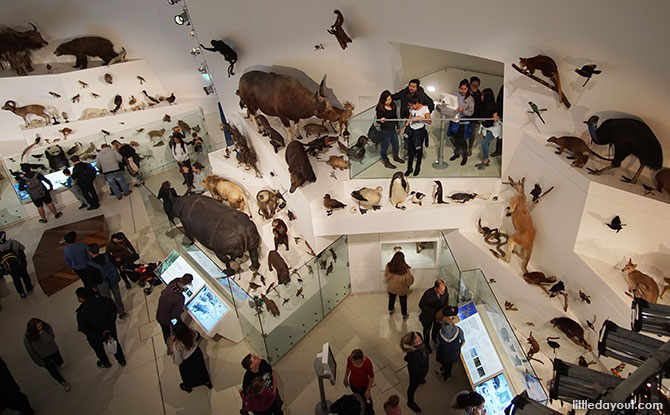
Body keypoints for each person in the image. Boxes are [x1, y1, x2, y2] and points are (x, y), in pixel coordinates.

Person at [75, 287, 126, 368]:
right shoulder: (104, 300)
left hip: (95, 336)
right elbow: (112, 311)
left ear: (80, 298)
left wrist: (100, 334)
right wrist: (109, 327)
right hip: (109, 330)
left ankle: (105, 362)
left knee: (98, 349)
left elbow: (85, 328)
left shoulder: (81, 313)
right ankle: (121, 360)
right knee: (113, 343)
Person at [23, 318, 70, 391]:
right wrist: (39, 362)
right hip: (44, 357)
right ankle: (62, 382)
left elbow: (52, 339)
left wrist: (43, 334)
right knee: (52, 370)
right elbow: (31, 352)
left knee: (60, 361)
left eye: (40, 325)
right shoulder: (27, 338)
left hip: (53, 351)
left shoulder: (46, 328)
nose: (40, 328)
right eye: (37, 328)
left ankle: (57, 365)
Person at [87, 243, 126, 318]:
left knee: (108, 298)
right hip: (113, 278)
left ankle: (120, 311)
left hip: (102, 283)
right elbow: (115, 263)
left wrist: (93, 286)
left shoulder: (90, 265)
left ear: (90, 253)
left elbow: (91, 277)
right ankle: (121, 308)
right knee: (117, 294)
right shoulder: (107, 256)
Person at [156, 274, 193, 352]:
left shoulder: (174, 282)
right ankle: (171, 348)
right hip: (166, 319)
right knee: (171, 333)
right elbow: (175, 316)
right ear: (189, 284)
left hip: (160, 313)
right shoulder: (179, 298)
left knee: (165, 332)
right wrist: (175, 324)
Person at [171, 322, 212, 392]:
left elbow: (179, 361)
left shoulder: (177, 345)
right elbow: (197, 335)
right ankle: (207, 382)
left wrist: (174, 360)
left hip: (187, 361)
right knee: (201, 369)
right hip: (197, 354)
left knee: (187, 376)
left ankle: (187, 386)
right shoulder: (192, 334)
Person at [400, 97, 431, 177]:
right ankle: (409, 168)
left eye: (412, 105)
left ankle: (417, 167)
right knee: (410, 150)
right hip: (411, 130)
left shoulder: (424, 109)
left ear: (417, 103)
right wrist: (405, 127)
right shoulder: (412, 108)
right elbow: (410, 118)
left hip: (419, 131)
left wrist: (421, 118)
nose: (411, 107)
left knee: (419, 150)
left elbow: (429, 121)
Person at [400, 331, 429, 413]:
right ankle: (410, 402)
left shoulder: (417, 337)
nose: (420, 339)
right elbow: (416, 371)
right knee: (412, 387)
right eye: (418, 341)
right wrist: (422, 373)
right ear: (412, 346)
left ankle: (420, 380)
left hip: (423, 368)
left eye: (418, 337)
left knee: (420, 378)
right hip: (416, 375)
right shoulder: (414, 357)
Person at [449, 79, 475, 166]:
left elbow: (471, 112)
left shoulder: (470, 99)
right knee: (454, 137)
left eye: (465, 89)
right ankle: (457, 153)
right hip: (454, 120)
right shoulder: (454, 96)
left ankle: (465, 156)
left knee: (463, 139)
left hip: (463, 121)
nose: (463, 90)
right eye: (461, 88)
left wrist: (463, 110)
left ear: (468, 89)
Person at [435, 306, 465, 381]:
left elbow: (438, 344)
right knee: (449, 365)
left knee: (445, 364)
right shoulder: (458, 331)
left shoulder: (440, 333)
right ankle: (447, 372)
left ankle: (445, 374)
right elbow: (463, 341)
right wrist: (458, 347)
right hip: (454, 354)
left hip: (443, 354)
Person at [376, 90, 404, 169]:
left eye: (390, 99)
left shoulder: (393, 105)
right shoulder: (380, 108)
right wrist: (381, 120)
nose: (389, 101)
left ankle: (396, 156)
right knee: (385, 146)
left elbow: (395, 117)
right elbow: (378, 121)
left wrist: (398, 127)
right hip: (385, 130)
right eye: (387, 100)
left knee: (396, 144)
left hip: (392, 129)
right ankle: (386, 161)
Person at [418, 280, 448, 353]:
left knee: (437, 327)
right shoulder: (428, 294)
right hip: (429, 316)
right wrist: (431, 309)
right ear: (436, 288)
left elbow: (446, 301)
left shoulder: (445, 292)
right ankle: (426, 343)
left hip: (438, 315)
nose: (443, 292)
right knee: (427, 330)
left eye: (444, 290)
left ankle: (434, 338)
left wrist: (442, 311)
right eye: (441, 290)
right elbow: (421, 305)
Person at [0, 231, 33, 298]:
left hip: (10, 268)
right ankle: (29, 288)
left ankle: (21, 292)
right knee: (25, 275)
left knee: (16, 279)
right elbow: (22, 247)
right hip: (20, 264)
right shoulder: (13, 242)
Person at [475, 88, 501, 170]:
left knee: (484, 144)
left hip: (493, 128)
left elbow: (495, 118)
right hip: (485, 127)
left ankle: (486, 160)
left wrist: (495, 118)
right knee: (486, 144)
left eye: (483, 95)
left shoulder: (493, 105)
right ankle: (485, 159)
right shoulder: (482, 104)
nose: (481, 96)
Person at [385, 251, 414, 320]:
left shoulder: (389, 266)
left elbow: (386, 275)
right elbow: (409, 281)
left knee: (391, 299)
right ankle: (404, 314)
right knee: (403, 302)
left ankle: (390, 310)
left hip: (391, 287)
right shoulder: (405, 270)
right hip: (402, 289)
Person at [467, 76, 483, 157]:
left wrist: (478, 121)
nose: (475, 87)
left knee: (472, 134)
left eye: (477, 85)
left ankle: (469, 148)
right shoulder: (466, 93)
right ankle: (461, 147)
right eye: (473, 84)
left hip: (474, 117)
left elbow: (480, 108)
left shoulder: (479, 94)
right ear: (470, 84)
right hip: (465, 116)